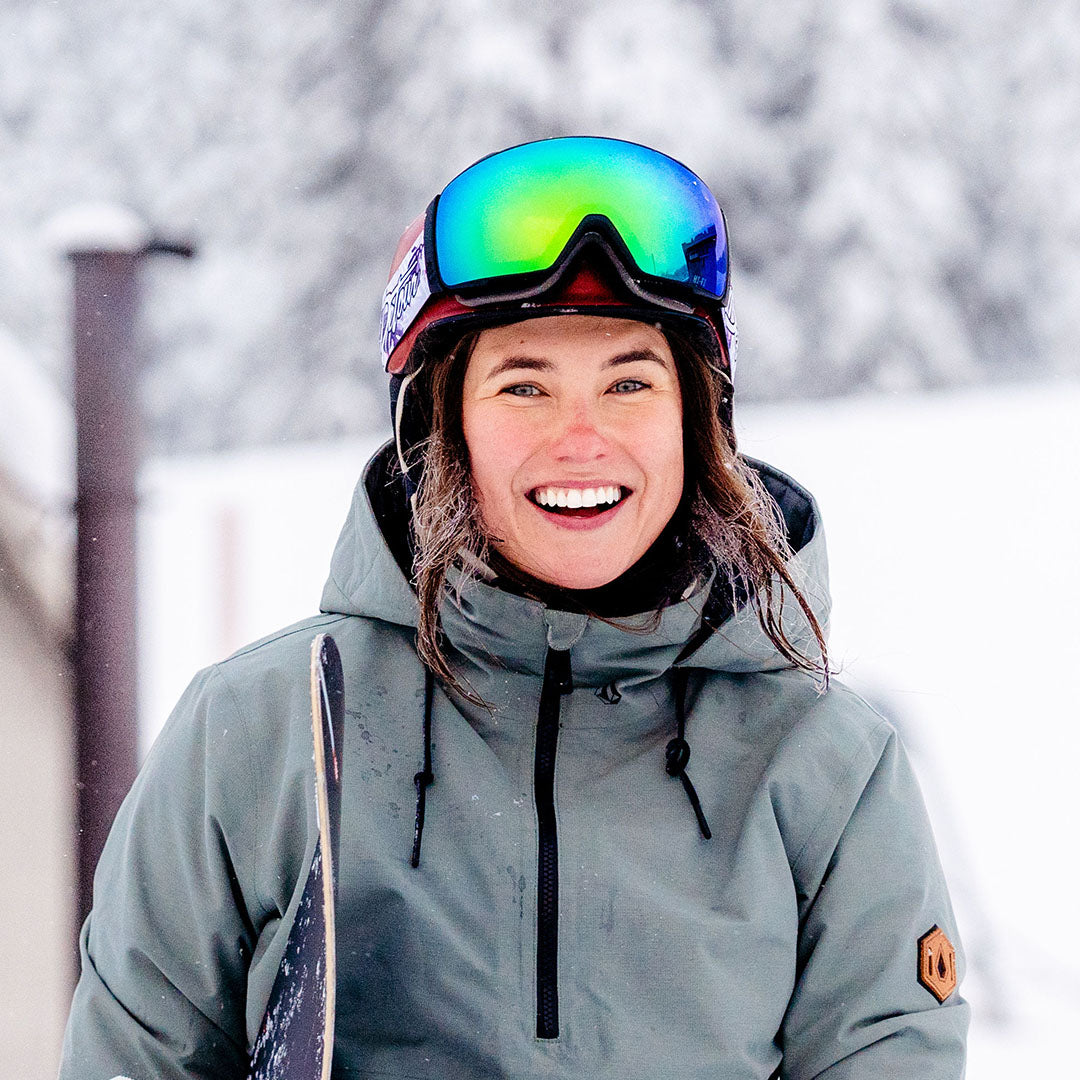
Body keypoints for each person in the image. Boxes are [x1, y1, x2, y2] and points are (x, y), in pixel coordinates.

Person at [60, 136, 969, 1078]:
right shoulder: (260, 733)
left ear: (697, 421)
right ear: (441, 428)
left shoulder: (825, 765)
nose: (581, 439)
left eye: (628, 383)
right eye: (523, 386)